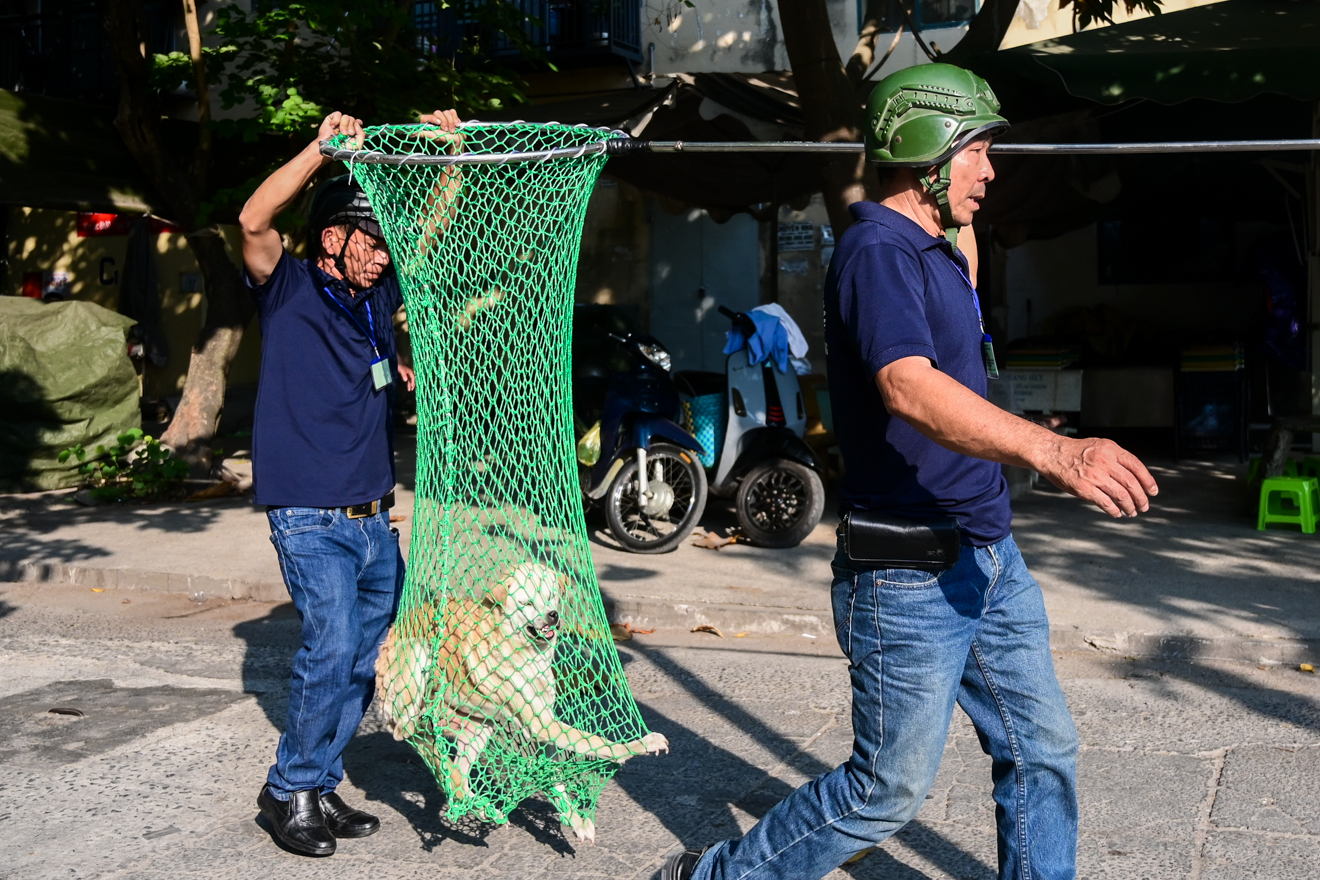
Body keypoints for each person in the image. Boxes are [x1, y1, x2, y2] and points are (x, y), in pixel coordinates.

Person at [664, 64, 1158, 880]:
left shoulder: (934, 246)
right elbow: (908, 385)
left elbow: (959, 322)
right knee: (885, 791)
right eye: (979, 151)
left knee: (1043, 752)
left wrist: (956, 222)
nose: (992, 171)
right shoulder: (875, 254)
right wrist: (1055, 450)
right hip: (906, 575)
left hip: (988, 554)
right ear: (928, 150)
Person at [239, 107, 461, 856]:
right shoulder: (289, 286)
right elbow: (253, 215)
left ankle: (320, 781)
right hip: (310, 515)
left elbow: (427, 231)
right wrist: (323, 149)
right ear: (333, 236)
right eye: (371, 242)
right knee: (329, 648)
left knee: (364, 663)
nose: (384, 257)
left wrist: (448, 151)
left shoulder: (375, 297)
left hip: (374, 520)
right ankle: (288, 790)